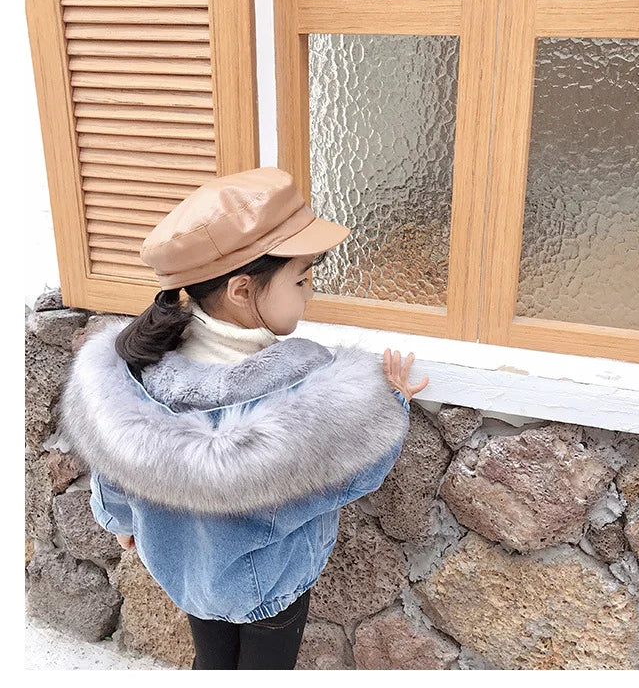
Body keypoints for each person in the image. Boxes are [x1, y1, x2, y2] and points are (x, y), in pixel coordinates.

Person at [58, 166, 429, 670]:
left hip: (188, 574)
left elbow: (115, 461)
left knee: (211, 664)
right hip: (270, 584)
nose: (310, 293)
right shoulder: (300, 382)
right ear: (240, 289)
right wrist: (391, 402)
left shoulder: (140, 368)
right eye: (301, 278)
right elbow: (355, 474)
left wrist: (121, 519)